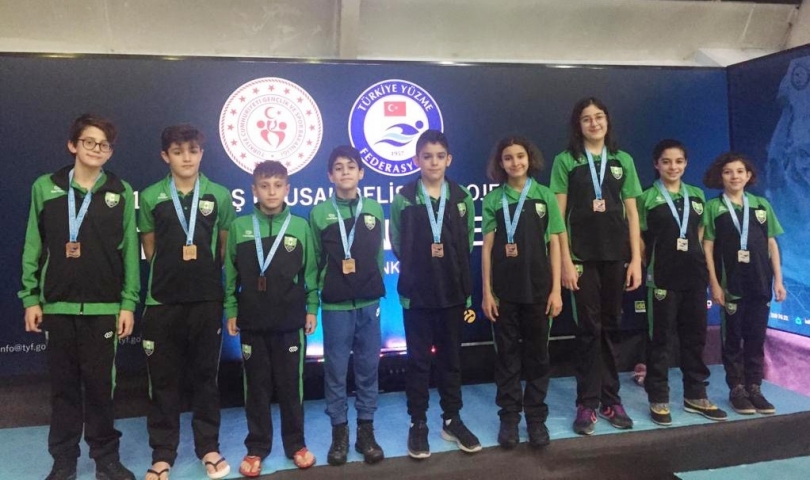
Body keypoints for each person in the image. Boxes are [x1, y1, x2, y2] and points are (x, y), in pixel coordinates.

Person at [19, 113, 139, 480]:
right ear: (73, 145)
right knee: (64, 389)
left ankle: (106, 459)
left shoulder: (120, 191)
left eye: (104, 144)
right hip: (58, 305)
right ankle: (64, 461)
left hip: (104, 307)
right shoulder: (46, 187)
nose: (96, 149)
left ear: (110, 151)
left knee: (102, 388)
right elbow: (33, 244)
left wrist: (128, 303)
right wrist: (30, 297)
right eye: (89, 141)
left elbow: (129, 252)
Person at [138, 125, 234, 480]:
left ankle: (208, 447)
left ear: (201, 153)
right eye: (178, 152)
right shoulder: (152, 196)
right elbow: (150, 249)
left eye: (193, 150)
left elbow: (223, 248)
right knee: (163, 382)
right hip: (163, 301)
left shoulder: (219, 195)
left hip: (206, 300)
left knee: (205, 378)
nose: (186, 158)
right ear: (165, 156)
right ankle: (163, 454)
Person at [550, 97, 643, 435]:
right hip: (581, 258)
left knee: (611, 327)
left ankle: (611, 400)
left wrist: (636, 259)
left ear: (607, 121)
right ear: (578, 125)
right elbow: (558, 216)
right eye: (587, 118)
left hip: (616, 257)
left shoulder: (623, 160)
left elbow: (632, 213)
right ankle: (587, 402)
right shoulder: (566, 160)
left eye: (599, 117)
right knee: (589, 329)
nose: (594, 123)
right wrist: (565, 261)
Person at [389, 129, 481, 458]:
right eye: (427, 156)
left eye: (440, 156)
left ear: (449, 160)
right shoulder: (404, 198)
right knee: (418, 361)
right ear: (417, 160)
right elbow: (397, 243)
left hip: (452, 293)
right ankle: (418, 423)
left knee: (451, 360)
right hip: (416, 294)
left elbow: (466, 243)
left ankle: (451, 419)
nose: (433, 162)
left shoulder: (461, 198)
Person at [224, 160, 319, 476]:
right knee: (256, 389)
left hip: (290, 322)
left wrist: (311, 308)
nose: (271, 192)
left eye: (278, 185)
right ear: (254, 190)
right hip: (252, 321)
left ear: (287, 188)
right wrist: (232, 309)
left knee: (292, 388)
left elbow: (310, 273)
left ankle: (297, 445)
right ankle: (256, 448)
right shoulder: (239, 227)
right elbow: (230, 274)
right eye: (264, 186)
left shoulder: (300, 227)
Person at [481, 136, 564, 449]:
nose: (515, 162)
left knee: (538, 356)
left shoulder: (544, 196)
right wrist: (487, 292)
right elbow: (487, 249)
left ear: (530, 159)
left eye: (520, 156)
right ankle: (510, 418)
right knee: (507, 357)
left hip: (539, 291)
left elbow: (555, 244)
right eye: (508, 158)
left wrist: (556, 290)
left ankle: (536, 417)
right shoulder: (494, 199)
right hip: (504, 292)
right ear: (500, 163)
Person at [637, 139, 727, 426]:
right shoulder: (646, 197)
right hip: (662, 278)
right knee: (660, 340)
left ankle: (696, 395)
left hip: (694, 277)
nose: (672, 167)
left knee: (695, 337)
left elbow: (700, 232)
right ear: (656, 165)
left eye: (678, 161)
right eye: (666, 162)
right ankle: (658, 397)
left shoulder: (697, 195)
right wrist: (646, 263)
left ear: (686, 164)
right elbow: (637, 236)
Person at [309, 146, 386, 466]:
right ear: (330, 175)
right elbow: (314, 262)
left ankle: (366, 433)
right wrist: (314, 299)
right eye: (338, 168)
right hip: (336, 306)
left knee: (368, 369)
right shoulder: (319, 214)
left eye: (351, 167)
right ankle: (338, 434)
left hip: (369, 303)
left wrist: (373, 286)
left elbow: (378, 256)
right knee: (336, 372)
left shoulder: (374, 209)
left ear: (361, 173)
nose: (345, 172)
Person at [702, 152, 786, 415]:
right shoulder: (714, 207)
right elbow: (707, 247)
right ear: (721, 176)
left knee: (756, 338)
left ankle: (754, 387)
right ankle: (737, 388)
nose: (734, 176)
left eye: (740, 171)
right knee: (732, 340)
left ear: (748, 175)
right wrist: (714, 284)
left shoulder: (761, 205)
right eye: (728, 172)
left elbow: (772, 243)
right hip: (731, 286)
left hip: (760, 284)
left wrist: (779, 281)